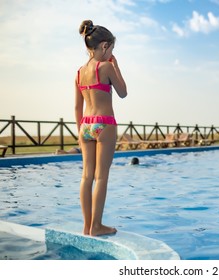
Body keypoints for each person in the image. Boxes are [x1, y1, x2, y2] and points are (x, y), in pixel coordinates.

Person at [75, 20, 127, 236]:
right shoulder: (105, 66)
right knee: (102, 177)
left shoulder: (79, 72)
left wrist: (80, 133)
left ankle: (87, 226)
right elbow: (123, 92)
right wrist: (116, 64)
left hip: (85, 126)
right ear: (105, 46)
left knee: (87, 177)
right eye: (111, 49)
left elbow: (78, 106)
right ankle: (97, 226)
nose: (111, 53)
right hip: (104, 124)